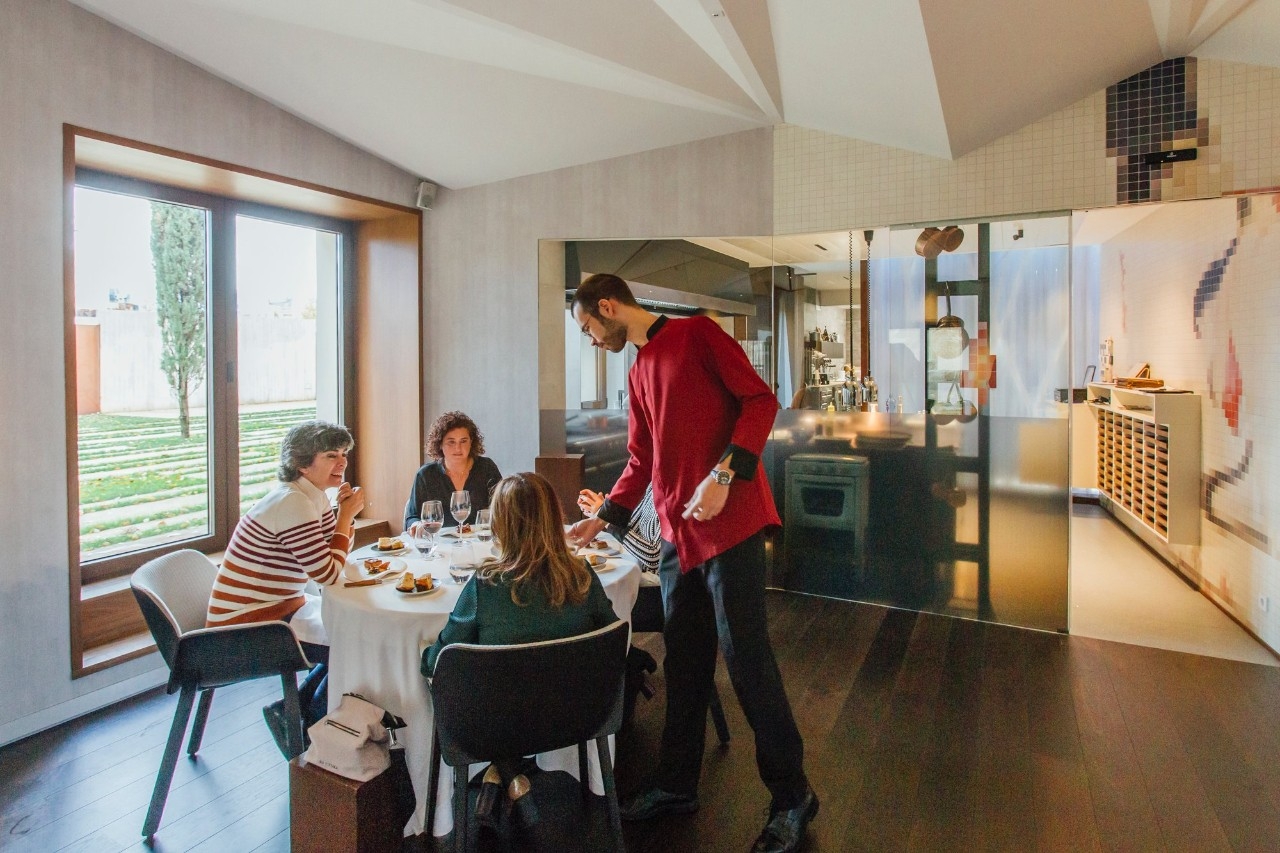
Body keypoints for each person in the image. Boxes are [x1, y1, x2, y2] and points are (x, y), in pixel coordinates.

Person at [567, 273, 817, 853]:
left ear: (607, 306)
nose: (589, 338)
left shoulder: (699, 335)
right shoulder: (637, 371)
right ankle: (677, 784)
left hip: (730, 526)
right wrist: (602, 517)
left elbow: (761, 400)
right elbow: (641, 461)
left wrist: (726, 473)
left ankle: (793, 797)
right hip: (680, 540)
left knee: (748, 662)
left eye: (587, 326)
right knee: (684, 665)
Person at [422, 471, 619, 833]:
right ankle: (507, 775)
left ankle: (503, 772)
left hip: (496, 725)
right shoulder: (583, 575)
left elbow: (439, 660)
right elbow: (611, 637)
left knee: (484, 695)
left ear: (499, 524)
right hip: (579, 713)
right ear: (553, 519)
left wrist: (422, 656)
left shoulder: (485, 586)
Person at [205, 420, 364, 748]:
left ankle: (297, 714)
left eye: (344, 454)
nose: (343, 462)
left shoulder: (309, 496)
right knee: (362, 643)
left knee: (359, 631)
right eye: (331, 455)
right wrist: (345, 517)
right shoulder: (293, 503)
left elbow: (330, 556)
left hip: (279, 609)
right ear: (302, 462)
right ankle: (314, 731)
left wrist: (340, 515)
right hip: (250, 627)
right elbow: (329, 574)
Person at [404, 410, 501, 531]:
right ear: (440, 444)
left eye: (463, 441)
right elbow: (411, 517)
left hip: (479, 543)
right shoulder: (425, 475)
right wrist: (416, 525)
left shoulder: (487, 468)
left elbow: (502, 509)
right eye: (451, 442)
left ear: (471, 442)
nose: (458, 448)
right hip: (440, 545)